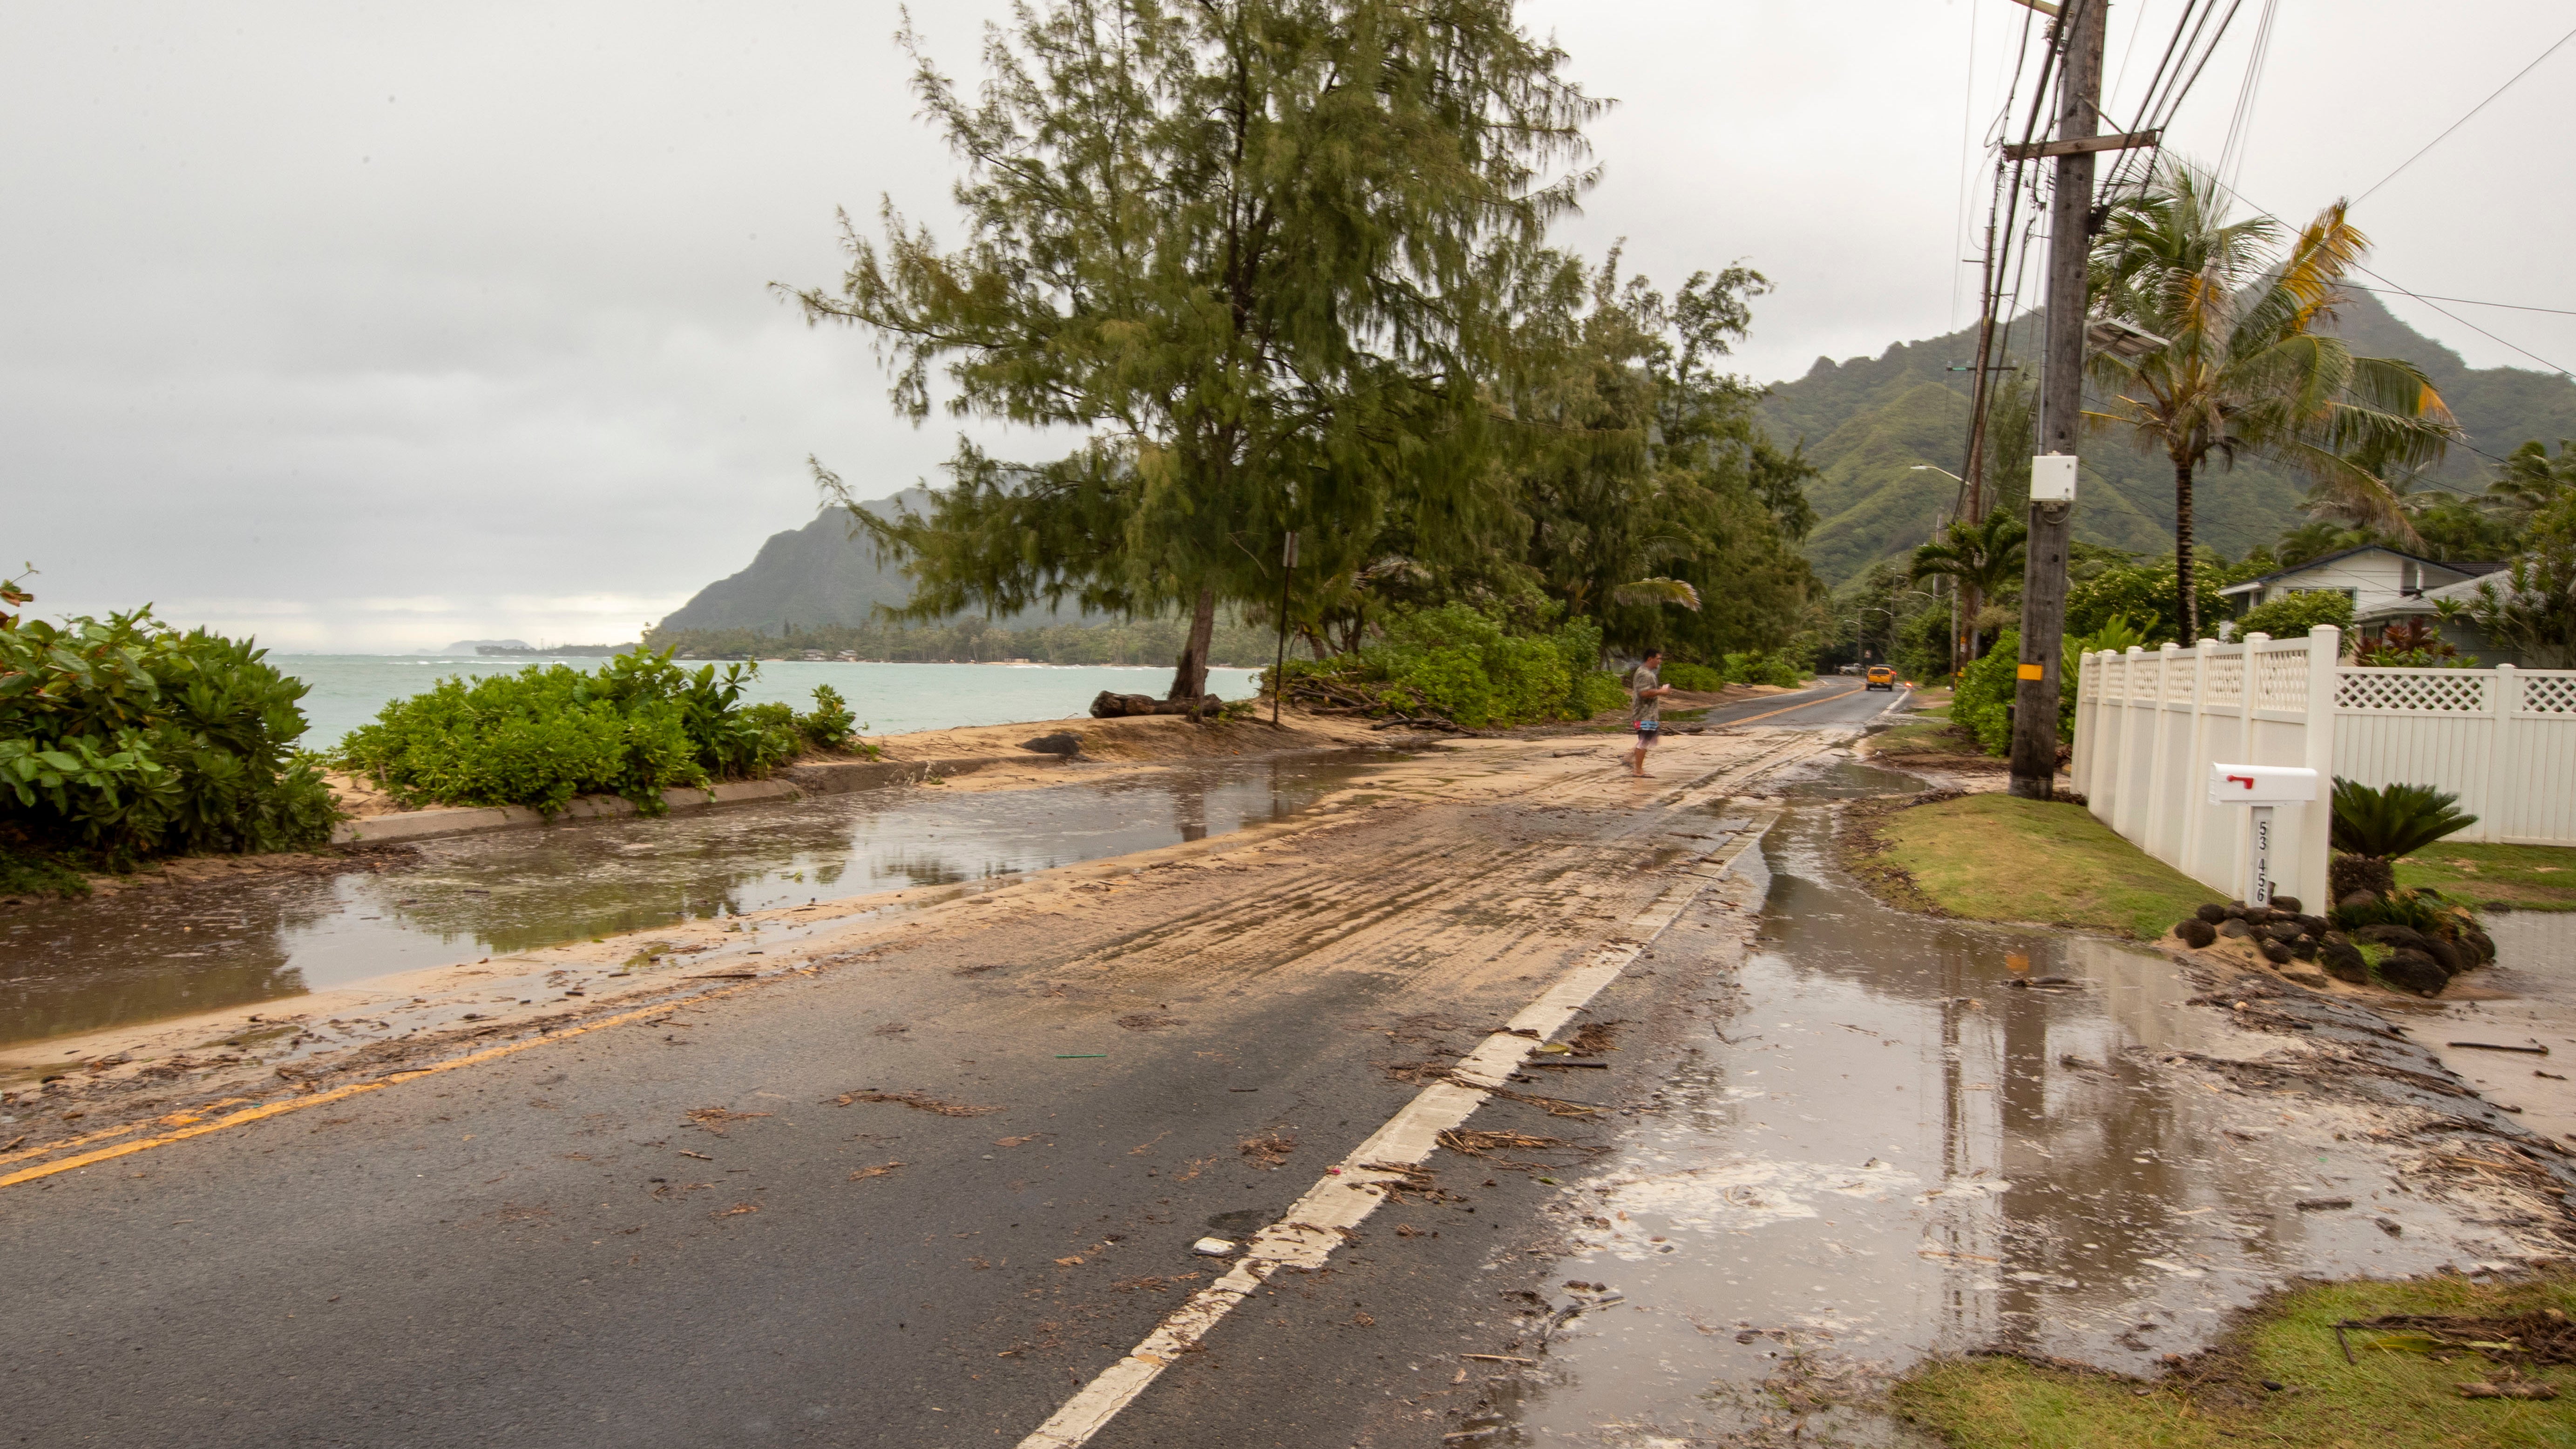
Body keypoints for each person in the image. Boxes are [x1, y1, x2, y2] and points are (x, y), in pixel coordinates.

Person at [1625, 648, 1673, 778]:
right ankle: (1638, 770)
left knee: (1646, 740)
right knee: (1644, 741)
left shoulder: (1647, 673)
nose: (1660, 662)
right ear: (1650, 659)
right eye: (1658, 659)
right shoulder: (1644, 674)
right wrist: (1661, 692)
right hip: (1644, 714)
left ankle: (1630, 758)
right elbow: (1644, 693)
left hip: (1649, 714)